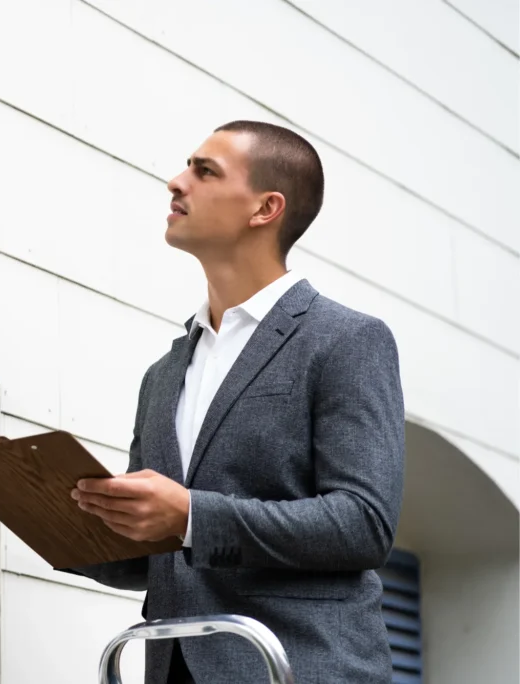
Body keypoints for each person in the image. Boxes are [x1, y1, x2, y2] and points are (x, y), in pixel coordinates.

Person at [66, 121, 405, 683]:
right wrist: (60, 523)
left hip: (295, 666)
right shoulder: (164, 374)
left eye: (204, 172)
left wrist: (193, 515)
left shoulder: (347, 341)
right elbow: (149, 555)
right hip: (171, 664)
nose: (176, 183)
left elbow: (363, 523)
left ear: (265, 208)